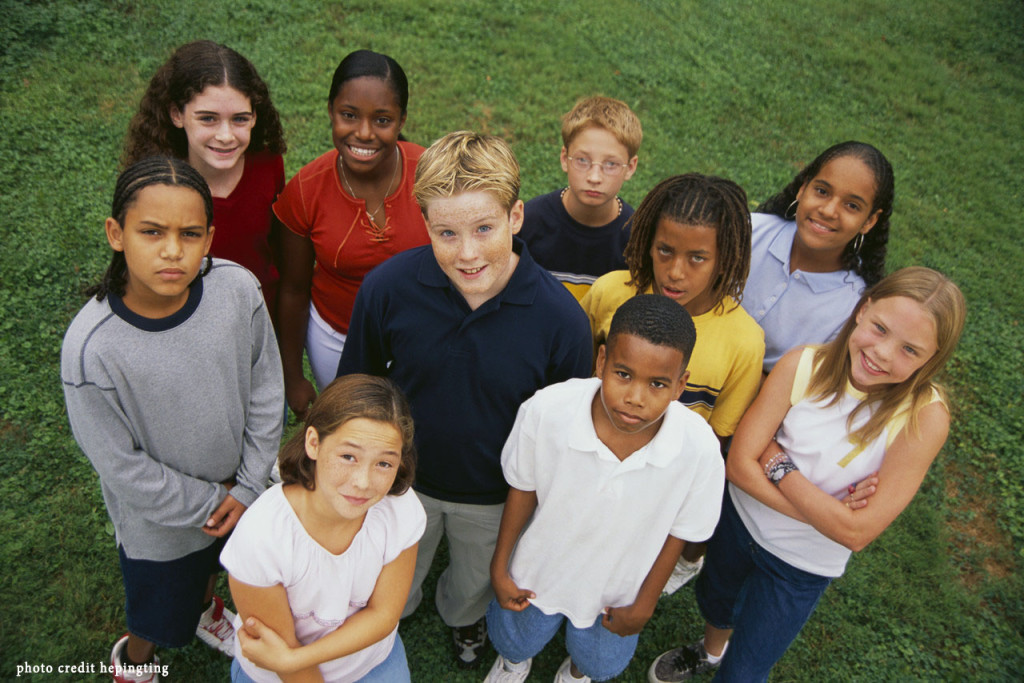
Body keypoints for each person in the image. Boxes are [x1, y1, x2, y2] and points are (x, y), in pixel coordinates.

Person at [337, 131, 593, 668]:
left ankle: (462, 618)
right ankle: (393, 609)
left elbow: (563, 431)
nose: (468, 252)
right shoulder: (387, 289)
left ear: (516, 216)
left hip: (493, 494)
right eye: (447, 232)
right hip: (401, 481)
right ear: (424, 223)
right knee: (396, 572)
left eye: (484, 228)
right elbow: (357, 386)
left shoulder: (562, 320)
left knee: (474, 577)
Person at [648, 267, 966, 683]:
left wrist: (778, 464)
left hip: (802, 565)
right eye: (880, 328)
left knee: (747, 670)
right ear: (863, 310)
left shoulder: (924, 418)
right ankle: (709, 650)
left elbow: (856, 534)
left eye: (910, 350)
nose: (884, 353)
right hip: (739, 522)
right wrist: (828, 513)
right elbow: (740, 466)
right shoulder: (804, 364)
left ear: (932, 360)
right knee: (715, 601)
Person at [60, 157, 284, 682]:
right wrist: (214, 501)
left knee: (215, 570)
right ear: (117, 234)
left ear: (210, 238)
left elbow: (266, 388)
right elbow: (120, 467)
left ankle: (208, 613)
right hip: (160, 527)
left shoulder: (237, 291)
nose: (171, 250)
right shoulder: (91, 350)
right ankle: (135, 661)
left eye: (188, 234)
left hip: (240, 494)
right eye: (151, 232)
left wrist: (248, 485)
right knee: (158, 611)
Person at [485, 295, 725, 683]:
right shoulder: (548, 410)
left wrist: (645, 602)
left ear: (681, 385)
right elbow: (522, 489)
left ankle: (578, 672)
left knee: (600, 660)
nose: (635, 397)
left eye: (658, 383)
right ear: (601, 362)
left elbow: (681, 533)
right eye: (623, 374)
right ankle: (514, 662)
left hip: (616, 592)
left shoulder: (698, 448)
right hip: (537, 570)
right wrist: (500, 566)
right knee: (515, 636)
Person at [581, 174, 764, 593]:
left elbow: (717, 438)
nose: (675, 272)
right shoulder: (610, 293)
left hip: (660, 488)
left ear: (725, 257)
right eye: (665, 250)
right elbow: (578, 378)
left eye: (697, 258)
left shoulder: (744, 341)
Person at [221, 374, 426, 683]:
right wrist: (291, 661)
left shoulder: (400, 509)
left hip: (372, 660)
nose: (363, 482)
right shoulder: (260, 539)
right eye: (348, 456)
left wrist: (296, 657)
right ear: (313, 442)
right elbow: (283, 660)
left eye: (384, 463)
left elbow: (383, 615)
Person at [274, 50, 429, 418]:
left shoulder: (432, 174)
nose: (363, 133)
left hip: (423, 336)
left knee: (416, 429)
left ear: (402, 119)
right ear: (331, 111)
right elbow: (293, 290)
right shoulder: (305, 190)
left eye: (382, 119)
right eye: (349, 115)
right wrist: (292, 376)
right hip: (337, 341)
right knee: (351, 427)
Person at [122, 40, 287, 314]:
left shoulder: (268, 164)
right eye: (208, 119)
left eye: (240, 119)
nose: (225, 136)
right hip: (188, 321)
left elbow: (279, 248)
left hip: (259, 312)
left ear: (255, 116)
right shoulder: (154, 187)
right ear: (177, 114)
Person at [742, 141, 894, 372]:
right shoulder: (749, 231)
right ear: (803, 189)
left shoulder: (852, 309)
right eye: (822, 191)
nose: (828, 210)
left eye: (851, 206)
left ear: (870, 221)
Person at [519, 95, 641, 301]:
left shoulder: (637, 240)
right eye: (582, 160)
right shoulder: (528, 223)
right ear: (564, 158)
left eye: (611, 164)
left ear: (630, 167)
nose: (594, 177)